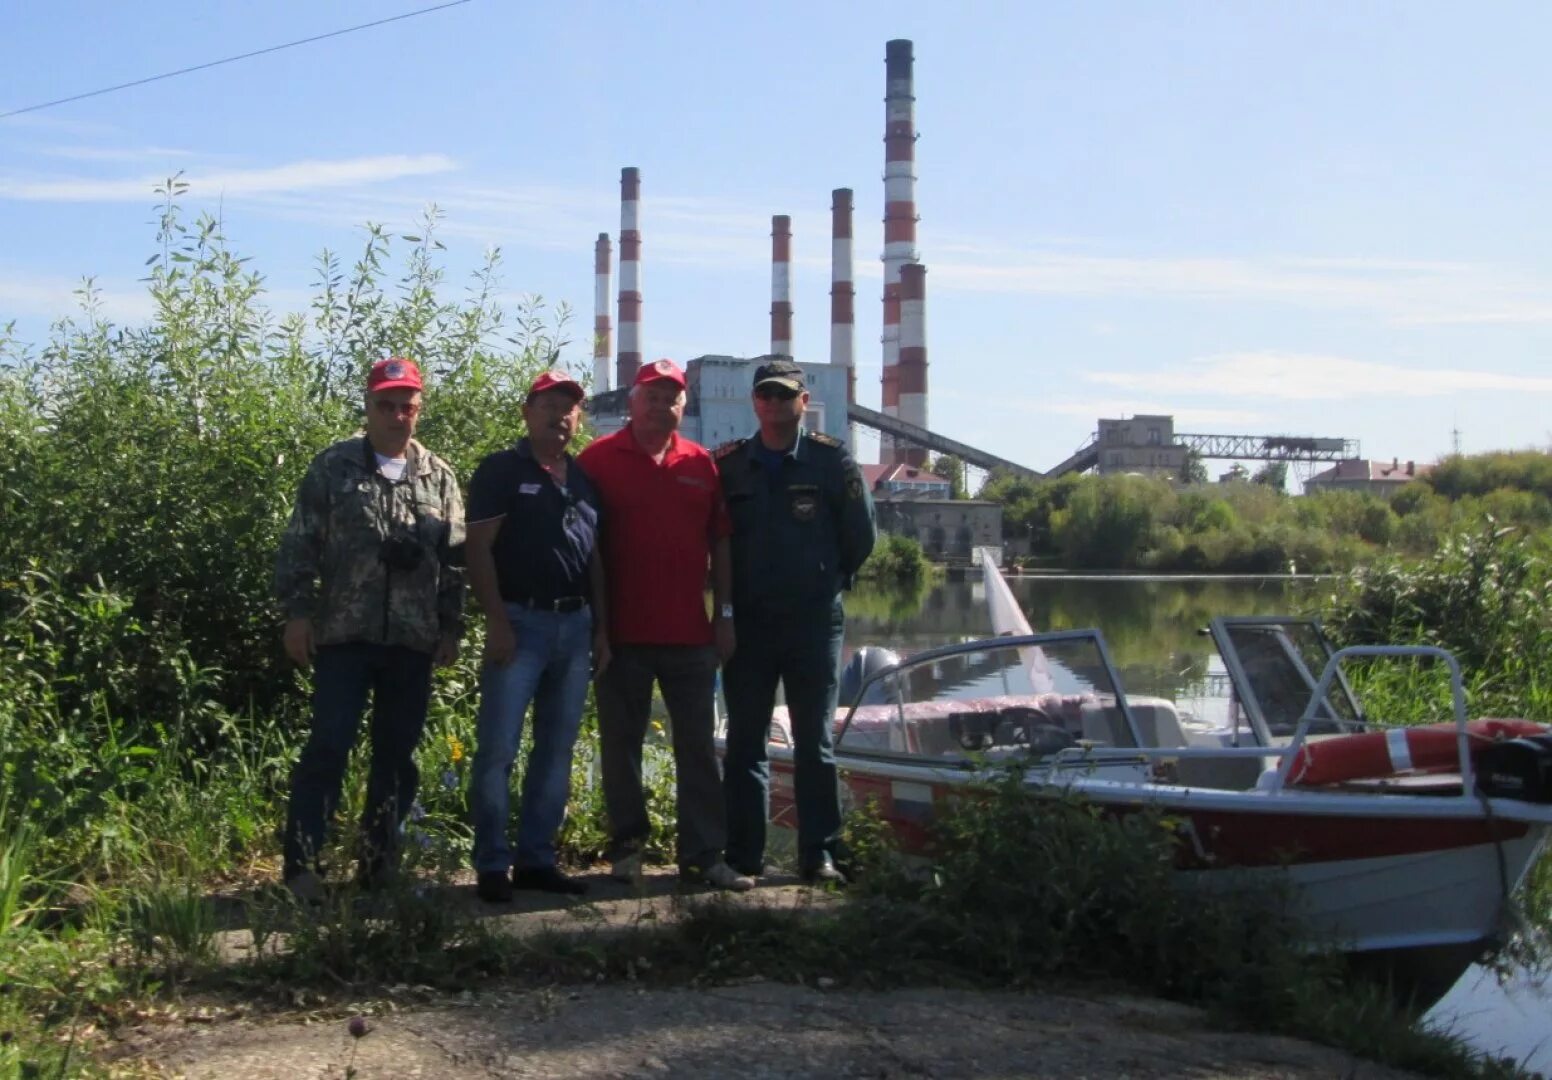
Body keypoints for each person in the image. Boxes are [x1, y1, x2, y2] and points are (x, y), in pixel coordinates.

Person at [274, 357, 465, 902]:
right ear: (368, 405)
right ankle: (303, 867)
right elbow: (301, 543)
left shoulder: (439, 475)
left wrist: (450, 627)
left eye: (407, 406)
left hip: (411, 639)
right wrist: (297, 613)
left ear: (418, 410)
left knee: (397, 758)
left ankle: (380, 867)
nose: (397, 416)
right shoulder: (333, 466)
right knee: (328, 748)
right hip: (343, 634)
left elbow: (456, 561)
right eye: (386, 404)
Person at [577, 358, 754, 892]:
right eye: (651, 395)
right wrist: (598, 628)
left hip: (690, 638)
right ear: (633, 402)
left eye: (672, 396)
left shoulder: (701, 464)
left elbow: (720, 543)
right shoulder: (598, 461)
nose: (661, 405)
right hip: (622, 637)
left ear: (684, 405)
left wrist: (724, 616)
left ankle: (703, 856)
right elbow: (585, 552)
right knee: (621, 746)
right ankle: (627, 850)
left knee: (698, 749)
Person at [714, 359, 876, 884]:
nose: (775, 404)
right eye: (766, 395)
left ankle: (819, 855)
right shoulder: (732, 465)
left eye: (785, 396)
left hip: (812, 623)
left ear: (804, 402)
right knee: (745, 742)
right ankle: (744, 856)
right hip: (750, 624)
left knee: (815, 743)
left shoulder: (832, 461)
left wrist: (826, 580)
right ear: (754, 403)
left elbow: (861, 537)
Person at [465, 370, 607, 901]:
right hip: (519, 625)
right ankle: (491, 866)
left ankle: (536, 861)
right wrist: (496, 621)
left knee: (556, 750)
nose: (560, 415)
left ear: (579, 419)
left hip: (575, 627)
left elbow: (595, 558)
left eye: (569, 408)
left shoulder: (584, 478)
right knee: (498, 749)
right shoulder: (502, 470)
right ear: (527, 412)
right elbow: (477, 549)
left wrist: (603, 629)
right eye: (548, 405)